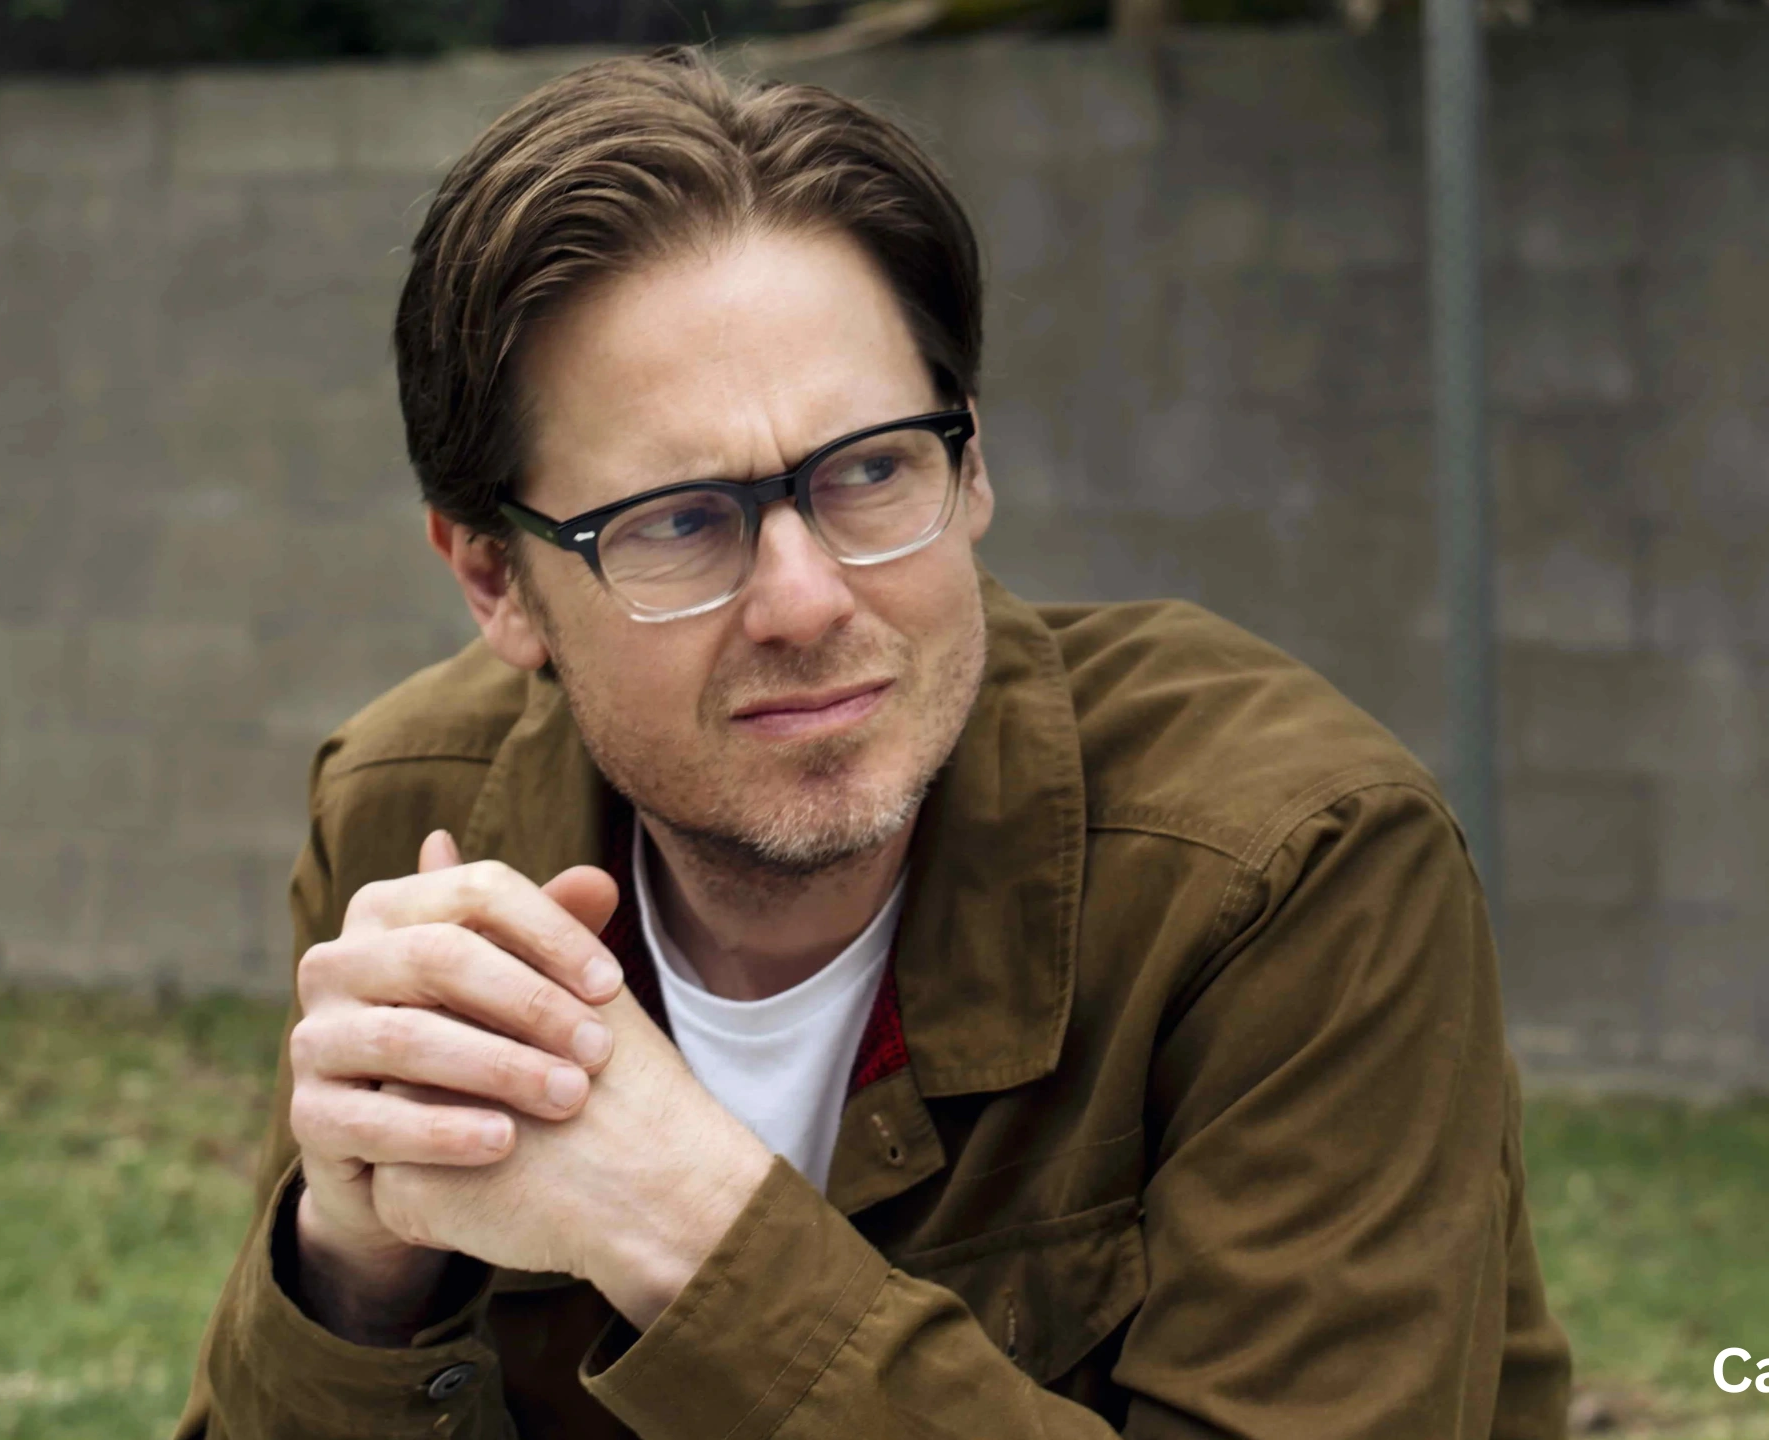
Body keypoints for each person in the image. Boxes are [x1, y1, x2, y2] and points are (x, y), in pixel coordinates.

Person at [174, 47, 1572, 1440]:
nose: (806, 601)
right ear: (496, 580)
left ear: (972, 466)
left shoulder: (1288, 861)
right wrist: (352, 1281)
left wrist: (692, 1230)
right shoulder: (418, 813)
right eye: (679, 519)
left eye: (869, 469)